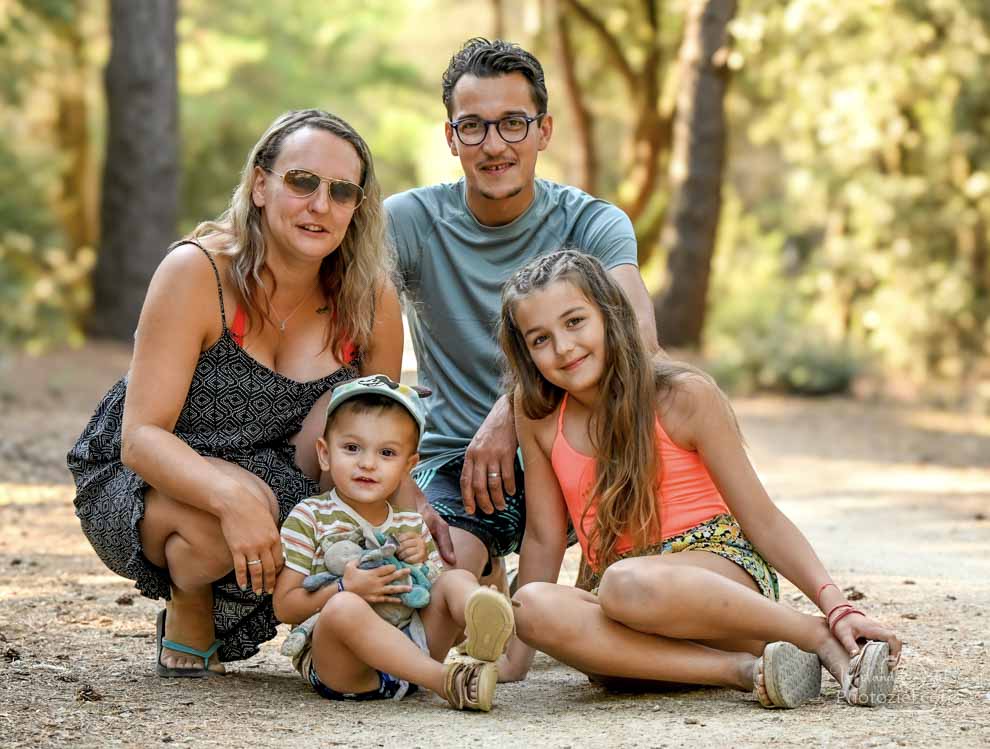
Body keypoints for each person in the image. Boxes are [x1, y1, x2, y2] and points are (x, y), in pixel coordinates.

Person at [67, 109, 404, 676]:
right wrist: (232, 498)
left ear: (357, 208)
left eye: (342, 191)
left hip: (283, 484)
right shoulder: (195, 273)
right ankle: (191, 602)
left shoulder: (371, 302)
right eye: (302, 181)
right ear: (261, 183)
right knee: (227, 517)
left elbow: (382, 443)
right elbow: (141, 437)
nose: (320, 204)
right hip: (150, 474)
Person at [495, 249, 902, 708]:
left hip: (715, 575)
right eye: (540, 339)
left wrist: (835, 605)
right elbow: (545, 538)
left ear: (609, 315)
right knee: (531, 604)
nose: (564, 348)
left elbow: (763, 519)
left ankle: (814, 637)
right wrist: (516, 657)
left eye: (575, 322)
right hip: (625, 607)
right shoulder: (539, 416)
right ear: (526, 354)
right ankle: (749, 671)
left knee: (626, 585)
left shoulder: (681, 395)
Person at [386, 38, 658, 584]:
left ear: (544, 131)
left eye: (513, 123)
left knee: (629, 615)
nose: (493, 145)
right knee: (429, 591)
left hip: (581, 453)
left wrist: (513, 408)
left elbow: (642, 344)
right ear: (451, 137)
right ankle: (483, 565)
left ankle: (600, 557)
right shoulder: (408, 221)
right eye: (473, 126)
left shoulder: (593, 224)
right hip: (458, 463)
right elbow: (346, 326)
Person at [273, 375, 515, 710]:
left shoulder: (408, 522)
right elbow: (285, 606)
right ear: (325, 454)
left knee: (453, 578)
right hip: (345, 669)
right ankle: (447, 681)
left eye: (387, 453)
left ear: (408, 467)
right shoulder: (310, 516)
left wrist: (422, 565)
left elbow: (427, 597)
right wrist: (343, 587)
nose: (368, 463)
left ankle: (482, 618)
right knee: (345, 608)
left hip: (413, 648)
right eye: (352, 448)